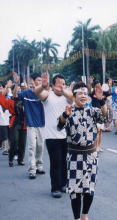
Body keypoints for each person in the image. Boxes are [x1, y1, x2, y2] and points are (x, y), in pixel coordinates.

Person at [57, 82, 105, 220]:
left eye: (85, 93)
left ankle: (85, 215)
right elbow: (59, 126)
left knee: (90, 189)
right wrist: (65, 115)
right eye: (80, 93)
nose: (83, 96)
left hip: (91, 155)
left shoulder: (93, 111)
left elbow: (105, 117)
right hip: (74, 156)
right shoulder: (69, 111)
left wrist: (102, 102)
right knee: (75, 191)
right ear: (74, 96)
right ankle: (76, 218)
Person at [35, 73, 73, 198]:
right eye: (58, 84)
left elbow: (72, 97)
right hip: (51, 136)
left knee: (64, 162)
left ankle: (63, 184)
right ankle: (55, 188)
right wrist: (42, 86)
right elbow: (38, 93)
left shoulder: (66, 97)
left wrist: (64, 89)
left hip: (65, 135)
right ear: (52, 85)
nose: (61, 86)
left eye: (63, 84)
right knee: (55, 163)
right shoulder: (48, 95)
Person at [15, 73, 46, 179]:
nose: (39, 82)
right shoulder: (26, 93)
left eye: (41, 80)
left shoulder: (43, 94)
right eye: (38, 80)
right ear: (32, 81)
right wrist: (16, 83)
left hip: (42, 124)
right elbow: (15, 96)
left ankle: (39, 166)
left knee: (40, 146)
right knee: (32, 146)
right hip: (30, 124)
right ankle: (32, 169)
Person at [0, 82, 27, 167]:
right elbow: (2, 100)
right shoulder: (10, 100)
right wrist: (10, 86)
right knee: (14, 141)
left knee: (22, 143)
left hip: (24, 122)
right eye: (17, 88)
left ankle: (20, 159)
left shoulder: (25, 99)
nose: (19, 90)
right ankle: (11, 158)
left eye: (20, 88)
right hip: (14, 122)